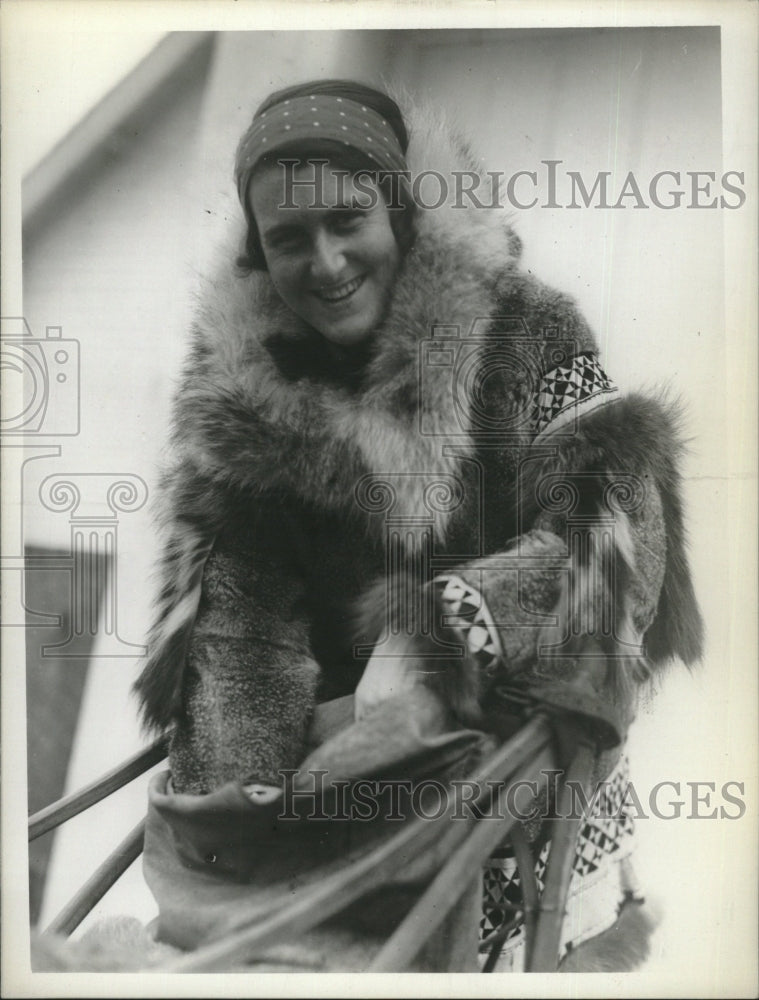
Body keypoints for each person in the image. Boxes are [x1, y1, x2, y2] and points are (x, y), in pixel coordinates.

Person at [131, 79, 703, 972]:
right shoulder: (240, 398)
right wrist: (244, 809)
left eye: (346, 220)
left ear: (399, 213)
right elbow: (242, 624)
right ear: (258, 254)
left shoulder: (526, 329)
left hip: (513, 765)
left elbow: (615, 534)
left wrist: (444, 627)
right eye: (288, 238)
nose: (323, 263)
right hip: (336, 774)